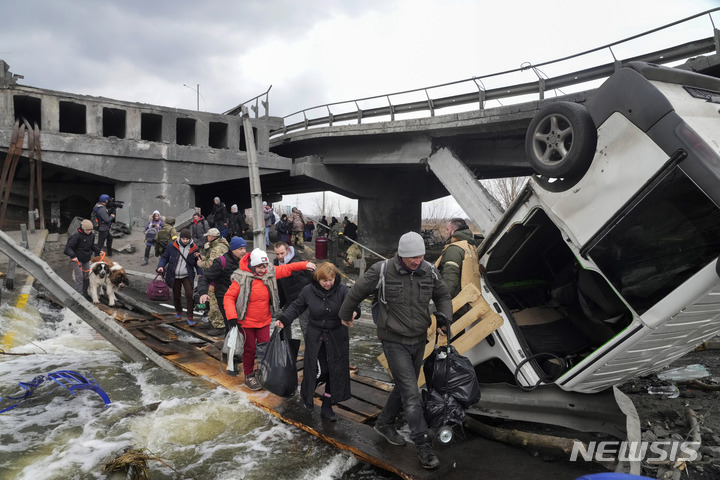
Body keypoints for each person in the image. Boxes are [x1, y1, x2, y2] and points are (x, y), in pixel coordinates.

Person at [338, 231, 452, 470]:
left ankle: (384, 423)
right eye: (412, 257)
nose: (416, 261)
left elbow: (442, 295)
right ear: (401, 255)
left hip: (419, 339)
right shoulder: (382, 271)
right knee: (412, 394)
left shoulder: (429, 270)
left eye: (420, 256)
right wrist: (345, 316)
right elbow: (356, 292)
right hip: (393, 340)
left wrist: (444, 319)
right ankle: (423, 445)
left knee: (404, 385)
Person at [275, 262, 359, 420]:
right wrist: (284, 319)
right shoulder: (308, 290)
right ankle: (306, 393)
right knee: (321, 370)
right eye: (324, 281)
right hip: (316, 336)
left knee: (335, 371)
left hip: (337, 336)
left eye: (331, 280)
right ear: (317, 279)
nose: (328, 284)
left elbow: (353, 304)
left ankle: (327, 404)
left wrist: (354, 312)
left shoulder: (342, 290)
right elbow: (297, 306)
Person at [223, 248, 316, 390]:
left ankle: (262, 372)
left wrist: (305, 264)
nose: (264, 269)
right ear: (253, 265)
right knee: (250, 349)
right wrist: (232, 316)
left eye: (265, 266)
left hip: (264, 320)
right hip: (246, 321)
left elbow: (287, 268)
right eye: (260, 267)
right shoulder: (241, 278)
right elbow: (229, 297)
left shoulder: (269, 273)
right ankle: (249, 375)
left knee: (265, 348)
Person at [196, 236, 247, 333]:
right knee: (231, 325)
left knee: (242, 325)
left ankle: (240, 345)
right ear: (232, 249)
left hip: (240, 298)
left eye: (245, 248)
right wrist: (203, 292)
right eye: (240, 249)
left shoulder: (245, 261)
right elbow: (205, 277)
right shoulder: (221, 262)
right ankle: (229, 345)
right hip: (224, 297)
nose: (244, 251)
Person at [435, 218, 483, 320]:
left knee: (447, 333)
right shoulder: (469, 246)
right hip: (467, 300)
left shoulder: (454, 249)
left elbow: (450, 280)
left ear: (453, 231)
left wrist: (443, 305)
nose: (446, 232)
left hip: (455, 302)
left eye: (447, 229)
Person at [157, 228, 203, 326]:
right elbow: (164, 257)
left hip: (187, 275)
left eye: (187, 239)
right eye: (183, 239)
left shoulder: (194, 248)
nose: (185, 241)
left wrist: (200, 272)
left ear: (190, 239)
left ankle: (190, 316)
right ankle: (178, 311)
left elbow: (197, 262)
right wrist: (160, 266)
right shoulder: (171, 246)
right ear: (180, 238)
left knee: (189, 294)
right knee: (176, 295)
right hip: (174, 275)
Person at [273, 241, 312, 339]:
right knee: (283, 322)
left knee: (305, 326)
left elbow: (310, 278)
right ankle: (286, 347)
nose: (280, 256)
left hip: (302, 299)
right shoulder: (276, 263)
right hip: (288, 299)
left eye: (282, 253)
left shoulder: (296, 261)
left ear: (288, 250)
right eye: (277, 254)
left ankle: (310, 350)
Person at [197, 227, 230, 335]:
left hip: (217, 279)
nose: (207, 237)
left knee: (215, 302)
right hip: (217, 279)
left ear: (212, 237)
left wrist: (201, 264)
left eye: (208, 236)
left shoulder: (217, 248)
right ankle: (213, 321)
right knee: (212, 301)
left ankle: (219, 325)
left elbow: (211, 264)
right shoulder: (218, 246)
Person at [64, 219, 101, 296]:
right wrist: (73, 256)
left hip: (86, 258)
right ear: (83, 228)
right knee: (79, 276)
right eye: (87, 230)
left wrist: (98, 250)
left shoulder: (92, 235)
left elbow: (91, 246)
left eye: (90, 230)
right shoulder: (76, 236)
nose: (89, 231)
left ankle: (85, 293)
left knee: (87, 276)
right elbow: (68, 248)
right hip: (76, 259)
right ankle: (78, 294)